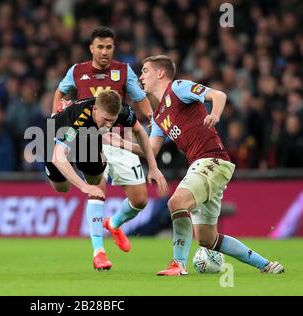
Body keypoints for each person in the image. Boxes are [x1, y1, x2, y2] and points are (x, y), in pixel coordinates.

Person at [111, 55, 284, 275]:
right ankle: (267, 266)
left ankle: (178, 265)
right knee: (207, 238)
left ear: (160, 73)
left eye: (145, 71)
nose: (141, 76)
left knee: (176, 203)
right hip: (203, 165)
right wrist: (119, 142)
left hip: (212, 159)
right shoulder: (158, 116)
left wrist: (214, 114)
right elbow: (151, 150)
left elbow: (218, 95)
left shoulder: (178, 88)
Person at [52, 26, 164, 262]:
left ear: (114, 48)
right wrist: (57, 116)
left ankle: (113, 223)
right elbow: (60, 93)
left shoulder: (124, 72)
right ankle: (98, 252)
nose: (104, 52)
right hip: (89, 138)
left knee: (140, 199)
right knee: (97, 187)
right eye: (100, 47)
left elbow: (141, 101)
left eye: (109, 47)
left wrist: (155, 123)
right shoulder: (77, 71)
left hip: (120, 139)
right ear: (91, 48)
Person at [45, 90, 168, 270]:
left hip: (88, 142)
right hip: (56, 140)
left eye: (112, 120)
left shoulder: (123, 112)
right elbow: (58, 156)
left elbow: (140, 132)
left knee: (97, 182)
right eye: (105, 119)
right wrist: (83, 187)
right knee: (62, 187)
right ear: (95, 109)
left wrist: (154, 167)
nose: (108, 124)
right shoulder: (79, 117)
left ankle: (99, 253)